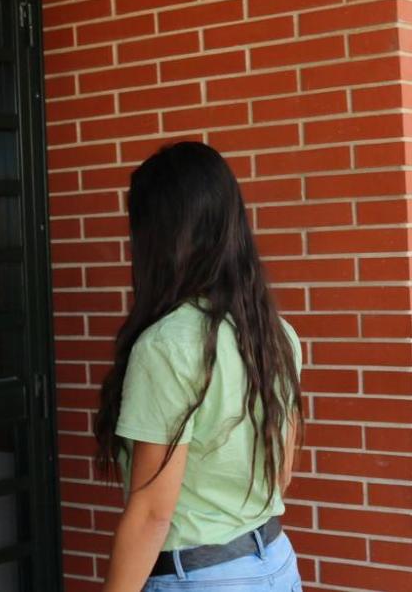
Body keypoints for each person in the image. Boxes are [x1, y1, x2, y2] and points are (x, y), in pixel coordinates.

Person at [94, 141, 304, 592]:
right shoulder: (275, 334)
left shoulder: (166, 346)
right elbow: (280, 471)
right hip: (274, 563)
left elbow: (153, 513)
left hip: (201, 576)